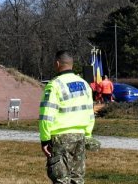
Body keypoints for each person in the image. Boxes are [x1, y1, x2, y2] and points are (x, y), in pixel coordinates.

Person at [40, 50, 94, 184]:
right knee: (77, 178)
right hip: (80, 136)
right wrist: (87, 134)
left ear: (57, 63)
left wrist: (45, 140)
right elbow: (89, 112)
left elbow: (46, 115)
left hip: (60, 138)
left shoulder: (54, 85)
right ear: (72, 64)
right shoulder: (84, 84)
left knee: (61, 178)